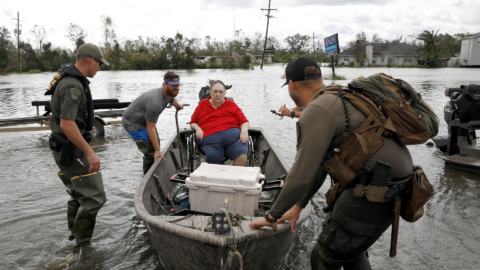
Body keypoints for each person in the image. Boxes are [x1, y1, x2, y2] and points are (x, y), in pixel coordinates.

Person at [249, 57, 413, 270]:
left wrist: (272, 215)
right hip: (398, 186)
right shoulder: (339, 94)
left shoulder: (315, 110)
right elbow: (320, 166)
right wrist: (299, 205)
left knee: (323, 257)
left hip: (374, 190)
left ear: (292, 84)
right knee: (350, 251)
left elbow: (299, 177)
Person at [47, 43, 108, 245]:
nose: (99, 68)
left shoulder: (68, 79)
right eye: (99, 63)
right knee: (94, 198)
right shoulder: (72, 85)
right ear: (91, 60)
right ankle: (83, 246)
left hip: (65, 149)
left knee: (77, 195)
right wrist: (90, 152)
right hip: (71, 151)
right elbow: (67, 123)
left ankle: (74, 238)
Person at [122, 71, 184, 174]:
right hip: (133, 123)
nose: (176, 88)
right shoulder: (155, 103)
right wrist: (157, 150)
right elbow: (150, 127)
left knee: (156, 143)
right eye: (173, 85)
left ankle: (155, 165)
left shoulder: (169, 94)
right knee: (151, 152)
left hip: (145, 120)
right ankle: (147, 176)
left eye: (177, 85)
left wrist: (178, 105)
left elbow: (172, 99)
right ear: (164, 85)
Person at [190, 80, 249, 166]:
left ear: (225, 93)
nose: (218, 94)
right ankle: (218, 176)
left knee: (242, 155)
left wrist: (244, 132)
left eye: (221, 92)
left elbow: (244, 122)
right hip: (210, 141)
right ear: (210, 93)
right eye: (215, 91)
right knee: (213, 157)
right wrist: (198, 129)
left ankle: (233, 178)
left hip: (233, 140)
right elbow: (193, 122)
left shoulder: (232, 105)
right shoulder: (202, 104)